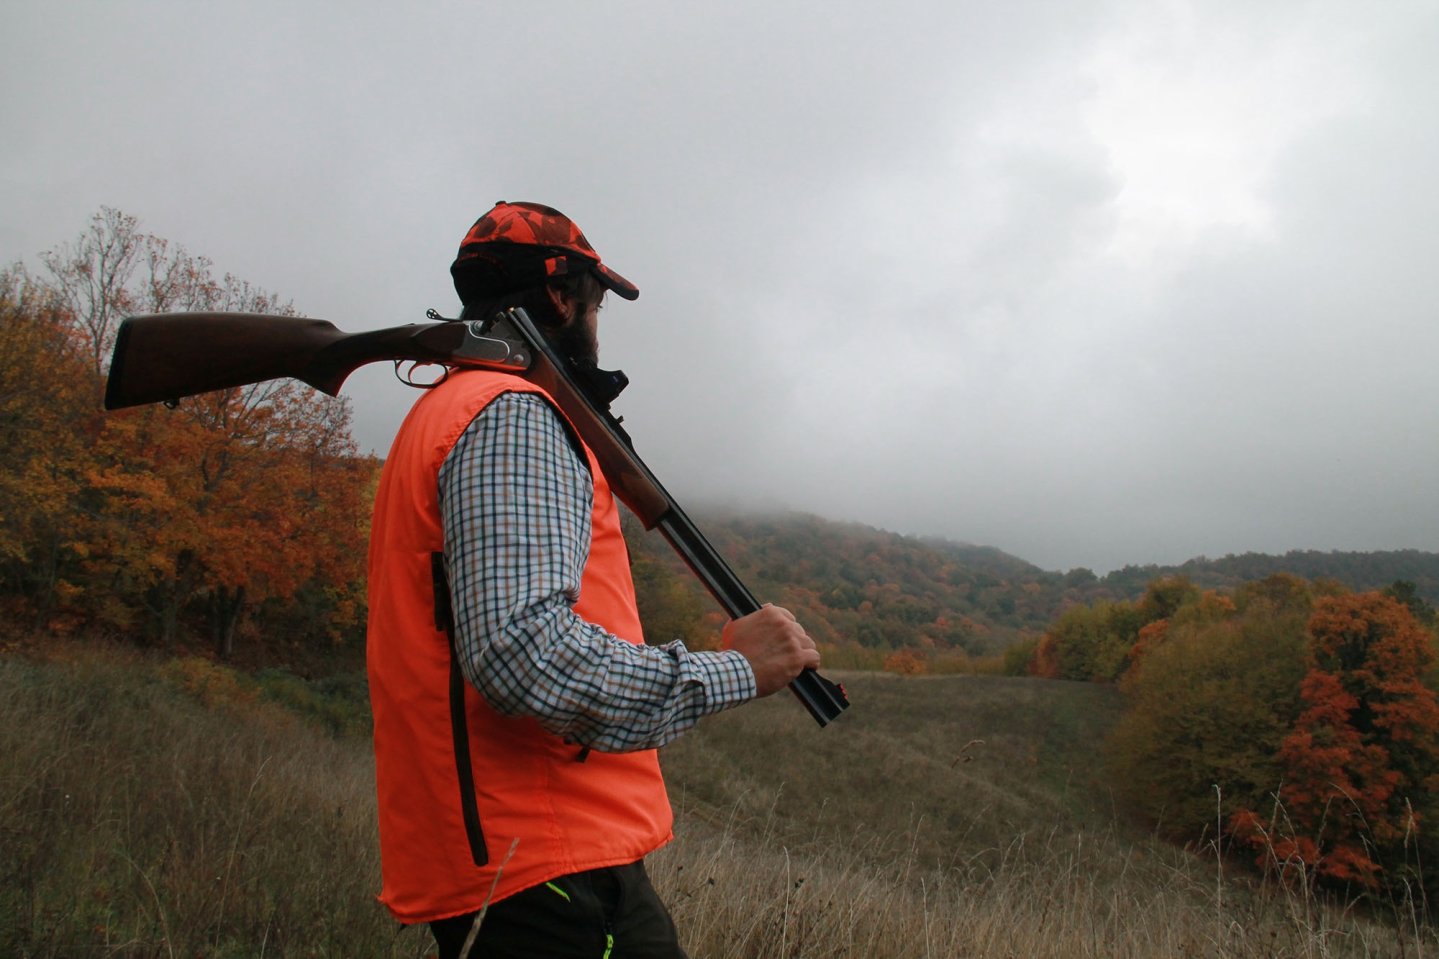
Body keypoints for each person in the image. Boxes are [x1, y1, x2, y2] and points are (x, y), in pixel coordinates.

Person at [366, 200, 822, 959]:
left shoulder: (445, 411)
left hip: (515, 860)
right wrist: (737, 668)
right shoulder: (513, 416)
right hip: (547, 864)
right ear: (559, 294)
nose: (599, 322)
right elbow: (525, 653)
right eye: (597, 301)